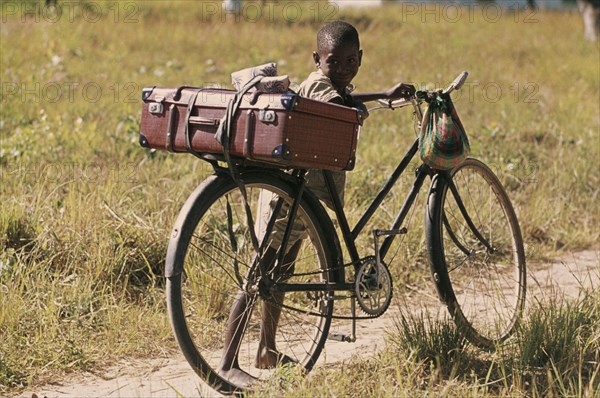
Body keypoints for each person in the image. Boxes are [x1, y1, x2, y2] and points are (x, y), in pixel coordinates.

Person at [217, 20, 415, 388]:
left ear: (360, 58)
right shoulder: (321, 86)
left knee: (282, 274)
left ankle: (266, 349)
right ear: (316, 60)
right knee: (260, 275)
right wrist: (378, 97)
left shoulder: (335, 83)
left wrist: (382, 95)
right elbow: (340, 106)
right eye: (333, 62)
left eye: (350, 61)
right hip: (286, 201)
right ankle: (228, 362)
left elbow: (347, 99)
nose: (342, 69)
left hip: (303, 202)